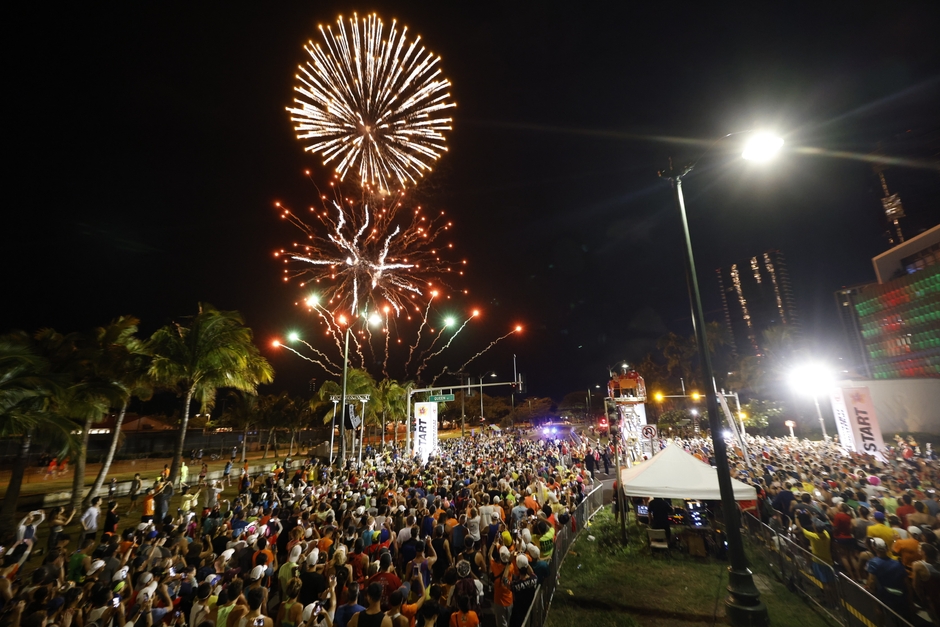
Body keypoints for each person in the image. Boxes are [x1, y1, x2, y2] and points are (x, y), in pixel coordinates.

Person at [865, 538, 910, 618]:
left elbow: (871, 581)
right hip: (899, 593)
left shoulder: (874, 562)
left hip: (884, 593)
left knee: (879, 610)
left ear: (874, 548)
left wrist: (869, 588)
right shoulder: (897, 563)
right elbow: (906, 582)